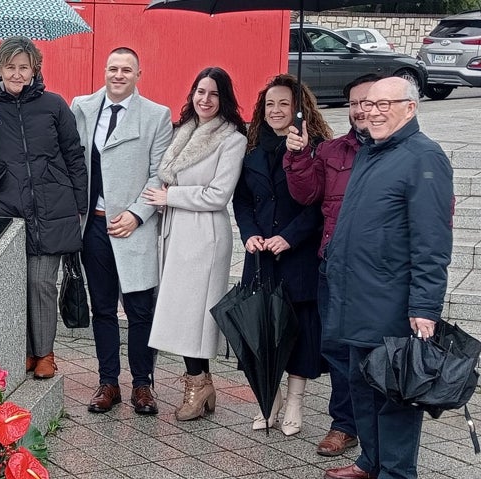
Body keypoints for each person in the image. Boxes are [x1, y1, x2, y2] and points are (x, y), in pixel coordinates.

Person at [322, 77, 452, 479]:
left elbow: (432, 241)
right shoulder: (373, 152)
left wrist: (424, 306)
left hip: (393, 299)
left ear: (410, 109)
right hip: (356, 293)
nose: (371, 111)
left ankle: (398, 478)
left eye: (384, 104)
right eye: (367, 104)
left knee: (394, 388)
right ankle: (372, 460)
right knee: (362, 381)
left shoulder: (424, 158)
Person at [0, 36, 87, 379]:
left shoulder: (54, 105)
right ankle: (27, 352)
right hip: (8, 208)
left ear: (34, 70)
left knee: (42, 282)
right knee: (18, 285)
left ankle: (45, 353)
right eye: (10, 67)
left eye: (24, 68)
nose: (17, 74)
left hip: (53, 207)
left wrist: (80, 203)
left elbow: (74, 155)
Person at [69, 48, 173, 414]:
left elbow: (159, 173)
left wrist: (138, 214)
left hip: (134, 227)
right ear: (104, 70)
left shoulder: (158, 115)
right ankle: (108, 382)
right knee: (102, 308)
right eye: (113, 68)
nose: (118, 75)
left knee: (141, 309)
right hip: (94, 224)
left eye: (126, 69)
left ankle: (143, 385)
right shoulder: (81, 107)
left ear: (138, 74)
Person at [141, 67, 247, 421]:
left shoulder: (232, 139)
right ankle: (202, 383)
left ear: (224, 99)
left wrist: (171, 196)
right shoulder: (183, 132)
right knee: (184, 314)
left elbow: (218, 195)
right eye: (200, 91)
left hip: (204, 236)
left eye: (213, 93)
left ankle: (197, 383)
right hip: (177, 230)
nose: (205, 99)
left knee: (196, 317)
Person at [283, 73, 381, 455]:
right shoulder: (332, 151)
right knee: (338, 348)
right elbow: (307, 195)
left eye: (370, 102)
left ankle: (379, 433)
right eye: (355, 103)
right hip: (333, 268)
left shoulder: (402, 154)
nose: (361, 110)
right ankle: (344, 425)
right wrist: (298, 155)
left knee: (376, 353)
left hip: (378, 275)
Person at [233, 74, 331, 435]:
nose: (276, 110)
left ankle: (294, 402)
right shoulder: (253, 149)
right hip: (260, 255)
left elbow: (320, 204)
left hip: (298, 255)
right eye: (270, 104)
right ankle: (267, 398)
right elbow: (242, 199)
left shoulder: (317, 148)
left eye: (284, 104)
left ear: (299, 110)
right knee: (262, 329)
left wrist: (289, 237)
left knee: (300, 332)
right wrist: (249, 233)